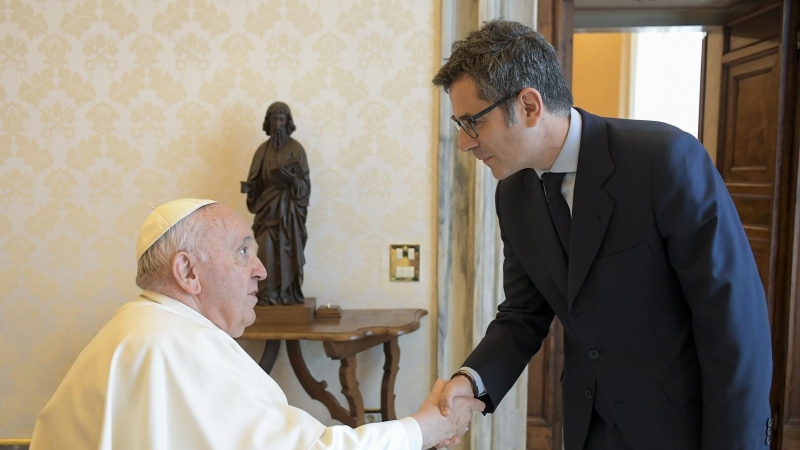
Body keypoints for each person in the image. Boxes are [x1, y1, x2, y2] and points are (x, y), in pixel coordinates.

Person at [432, 19, 773, 450]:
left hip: (686, 427)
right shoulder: (513, 195)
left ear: (530, 106)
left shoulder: (664, 160)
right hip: (586, 426)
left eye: (472, 123)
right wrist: (470, 382)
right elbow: (523, 314)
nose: (465, 143)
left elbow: (734, 322)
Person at [30, 198, 483, 450]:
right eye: (243, 251)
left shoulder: (137, 327)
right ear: (188, 273)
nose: (262, 270)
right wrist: (424, 429)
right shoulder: (177, 346)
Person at [245, 101, 310, 305]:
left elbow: (305, 187)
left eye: (282, 119)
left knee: (289, 254)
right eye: (274, 119)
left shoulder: (296, 149)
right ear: (269, 122)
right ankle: (267, 295)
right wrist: (250, 190)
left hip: (289, 217)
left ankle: (288, 294)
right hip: (267, 214)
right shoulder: (262, 151)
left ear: (288, 122)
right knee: (266, 253)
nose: (278, 123)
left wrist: (293, 181)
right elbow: (255, 182)